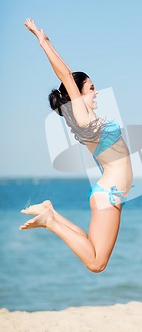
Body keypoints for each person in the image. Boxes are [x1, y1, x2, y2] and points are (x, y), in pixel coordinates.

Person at [20, 18, 133, 272]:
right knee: (96, 262)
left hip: (111, 193)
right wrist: (43, 42)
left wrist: (47, 41)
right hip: (110, 193)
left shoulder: (87, 119)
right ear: (78, 94)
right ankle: (51, 221)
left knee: (94, 250)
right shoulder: (82, 117)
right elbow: (65, 74)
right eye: (92, 88)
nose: (97, 92)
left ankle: (51, 214)